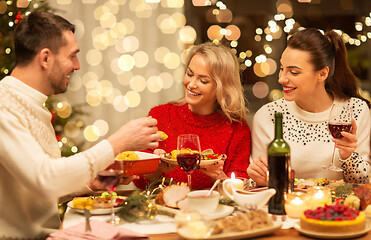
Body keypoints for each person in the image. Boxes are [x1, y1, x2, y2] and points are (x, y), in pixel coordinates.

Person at [0, 11, 160, 239]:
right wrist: (117, 142)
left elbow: (39, 189)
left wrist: (90, 183)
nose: (77, 66)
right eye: (72, 56)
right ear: (45, 58)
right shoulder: (4, 104)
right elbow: (44, 179)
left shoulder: (33, 105)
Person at [247, 28, 370, 187]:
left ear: (322, 74)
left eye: (294, 72)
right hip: (289, 207)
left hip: (340, 209)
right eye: (282, 68)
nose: (282, 78)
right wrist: (261, 180)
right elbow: (255, 184)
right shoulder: (268, 116)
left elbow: (364, 183)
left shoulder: (356, 109)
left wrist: (348, 157)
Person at [134, 42, 251, 190]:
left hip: (212, 210)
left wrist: (220, 177)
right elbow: (139, 184)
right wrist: (158, 170)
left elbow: (240, 188)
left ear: (222, 87)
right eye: (189, 74)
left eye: (203, 80)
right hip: (166, 208)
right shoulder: (160, 116)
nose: (191, 84)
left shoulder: (237, 129)